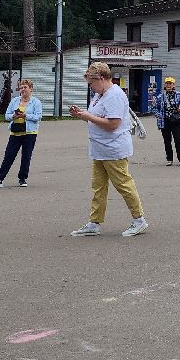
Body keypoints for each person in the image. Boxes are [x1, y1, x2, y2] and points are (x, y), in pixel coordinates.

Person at [68, 62, 148, 237]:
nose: (91, 87)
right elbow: (96, 118)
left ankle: (139, 220)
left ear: (102, 78)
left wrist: (87, 116)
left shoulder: (115, 95)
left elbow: (113, 124)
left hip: (114, 149)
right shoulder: (99, 95)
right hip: (100, 149)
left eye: (91, 83)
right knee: (98, 187)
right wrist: (82, 115)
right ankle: (94, 223)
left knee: (124, 185)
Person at [0, 78, 41, 188]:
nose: (22, 90)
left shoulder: (36, 102)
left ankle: (22, 178)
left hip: (29, 133)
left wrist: (25, 115)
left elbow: (38, 116)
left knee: (26, 156)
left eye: (25, 87)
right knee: (9, 156)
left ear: (31, 89)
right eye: (21, 88)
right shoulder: (15, 101)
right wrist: (14, 116)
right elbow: (6, 115)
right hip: (15, 132)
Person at [154, 76, 180, 165]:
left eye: (170, 83)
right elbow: (154, 108)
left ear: (173, 85)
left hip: (176, 120)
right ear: (165, 85)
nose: (168, 85)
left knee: (178, 139)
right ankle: (169, 159)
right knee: (167, 140)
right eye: (167, 83)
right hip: (165, 121)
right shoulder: (161, 96)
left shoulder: (179, 94)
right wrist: (159, 115)